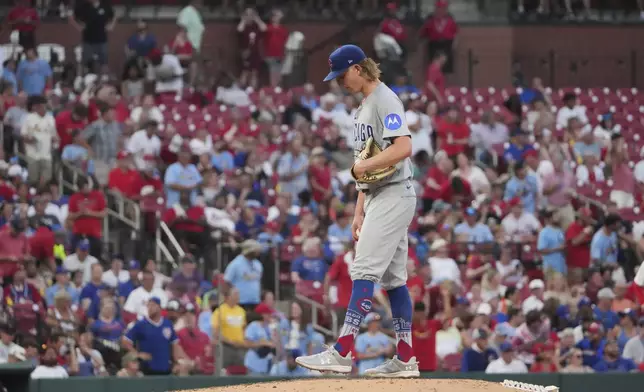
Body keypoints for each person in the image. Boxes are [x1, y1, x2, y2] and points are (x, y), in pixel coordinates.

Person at [295, 45, 419, 377]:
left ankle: (342, 350)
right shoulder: (364, 107)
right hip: (379, 196)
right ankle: (406, 359)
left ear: (358, 69)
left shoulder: (385, 99)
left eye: (341, 75)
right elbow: (364, 164)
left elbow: (404, 147)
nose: (338, 83)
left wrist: (360, 169)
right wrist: (358, 210)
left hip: (395, 193)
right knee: (394, 280)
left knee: (363, 269)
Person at [123, 297, 183, 375]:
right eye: (148, 306)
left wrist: (176, 362)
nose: (150, 308)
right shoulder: (141, 324)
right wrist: (137, 354)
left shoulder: (167, 324)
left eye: (153, 305)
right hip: (147, 369)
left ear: (159, 307)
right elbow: (125, 341)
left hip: (165, 368)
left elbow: (174, 343)